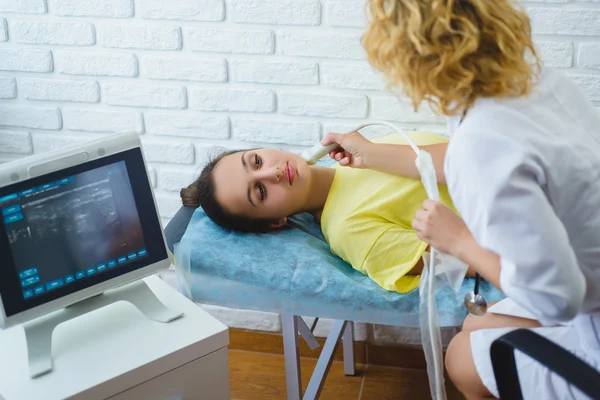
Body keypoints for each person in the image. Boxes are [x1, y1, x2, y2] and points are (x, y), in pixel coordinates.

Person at [321, 0, 600, 399]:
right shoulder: (531, 79)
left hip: (582, 313)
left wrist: (458, 241)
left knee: (462, 358)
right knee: (475, 327)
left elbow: (556, 300)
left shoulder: (483, 143)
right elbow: (465, 154)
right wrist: (369, 154)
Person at [180, 130, 473, 294]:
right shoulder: (351, 232)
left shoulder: (364, 151)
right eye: (260, 192)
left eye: (256, 161)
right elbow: (466, 260)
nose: (273, 173)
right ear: (275, 222)